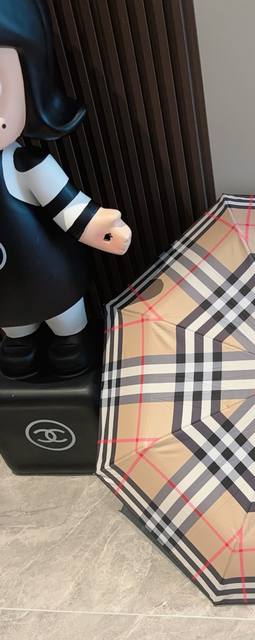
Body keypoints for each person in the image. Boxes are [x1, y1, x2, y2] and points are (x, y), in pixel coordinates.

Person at [0, 0, 131, 379]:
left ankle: (71, 339)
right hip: (6, 294)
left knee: (67, 323)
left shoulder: (27, 165)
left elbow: (66, 205)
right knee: (14, 329)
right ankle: (19, 341)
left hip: (49, 275)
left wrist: (97, 225)